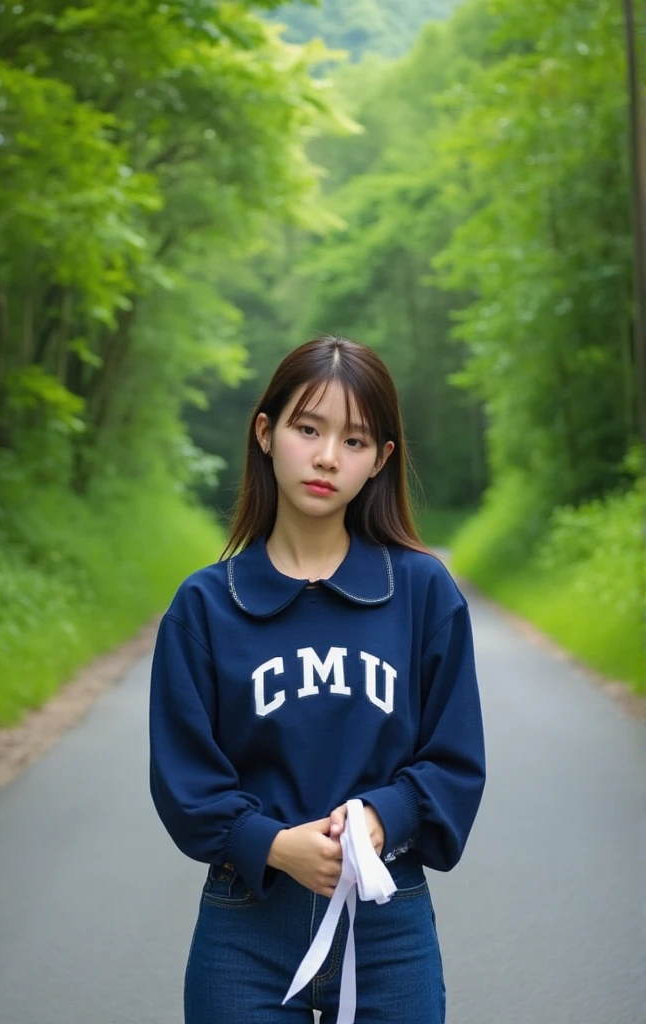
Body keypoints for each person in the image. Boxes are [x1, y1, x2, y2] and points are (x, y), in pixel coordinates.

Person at [149, 335, 486, 1023]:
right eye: (309, 428)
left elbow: (455, 762)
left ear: (380, 461)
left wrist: (380, 816)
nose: (328, 456)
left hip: (389, 925)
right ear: (267, 433)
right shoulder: (206, 607)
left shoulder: (422, 593)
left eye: (356, 441)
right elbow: (185, 783)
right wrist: (270, 844)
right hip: (245, 930)